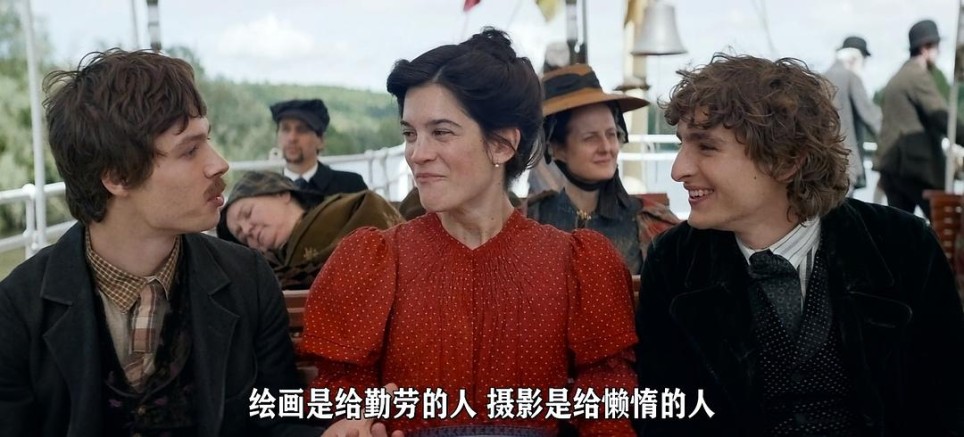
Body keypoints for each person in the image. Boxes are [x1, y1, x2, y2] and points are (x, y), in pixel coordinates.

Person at [0, 49, 400, 437]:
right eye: (190, 150)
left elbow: (275, 420)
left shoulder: (248, 281)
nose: (219, 164)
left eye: (206, 140)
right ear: (117, 177)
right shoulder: (18, 310)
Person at [300, 28, 637, 435]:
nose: (417, 154)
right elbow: (342, 396)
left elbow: (605, 408)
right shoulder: (375, 261)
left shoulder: (576, 263)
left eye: (441, 132)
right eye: (409, 133)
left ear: (502, 145)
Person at [635, 53, 964, 436]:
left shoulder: (903, 247)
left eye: (706, 147)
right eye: (681, 145)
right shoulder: (674, 263)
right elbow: (664, 417)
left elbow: (948, 406)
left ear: (787, 160)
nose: (678, 170)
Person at [527, 63, 679, 276]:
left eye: (611, 134)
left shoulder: (652, 225)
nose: (606, 147)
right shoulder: (531, 218)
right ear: (556, 148)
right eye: (590, 138)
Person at [217, 170, 404, 289]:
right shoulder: (265, 277)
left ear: (282, 193)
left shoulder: (355, 209)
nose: (247, 230)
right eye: (241, 236)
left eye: (248, 213)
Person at [876, 19, 964, 218]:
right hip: (916, 169)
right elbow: (941, 117)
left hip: (893, 169)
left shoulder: (897, 77)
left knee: (900, 229)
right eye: (937, 47)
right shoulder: (917, 76)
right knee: (942, 223)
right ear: (925, 48)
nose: (939, 52)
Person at [270, 98, 368, 196]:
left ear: (321, 140)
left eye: (302, 130)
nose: (292, 138)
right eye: (285, 129)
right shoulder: (269, 190)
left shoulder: (350, 187)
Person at [823, 36, 881, 196]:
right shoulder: (850, 77)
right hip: (845, 162)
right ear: (855, 59)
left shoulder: (821, 78)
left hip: (822, 163)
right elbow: (871, 116)